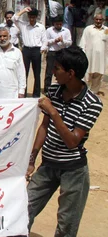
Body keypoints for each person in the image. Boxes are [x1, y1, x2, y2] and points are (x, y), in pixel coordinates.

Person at [26, 46, 103, 237]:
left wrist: (53, 111)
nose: (53, 72)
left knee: (66, 226)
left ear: (71, 73)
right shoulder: (54, 91)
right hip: (48, 166)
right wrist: (32, 159)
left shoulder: (92, 103)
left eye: (57, 68)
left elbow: (72, 141)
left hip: (73, 170)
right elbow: (44, 127)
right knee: (23, 209)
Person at [15, 7, 48, 97]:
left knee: (37, 73)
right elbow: (15, 18)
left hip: (36, 50)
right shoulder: (24, 25)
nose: (32, 19)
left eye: (33, 17)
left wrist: (42, 49)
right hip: (26, 50)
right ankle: (23, 93)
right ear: (28, 17)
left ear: (36, 17)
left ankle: (36, 94)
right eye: (30, 17)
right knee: (24, 72)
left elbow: (45, 40)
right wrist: (24, 10)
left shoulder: (41, 27)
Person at [79, 14, 107, 95]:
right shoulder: (88, 29)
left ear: (103, 20)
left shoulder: (106, 30)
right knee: (87, 76)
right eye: (97, 19)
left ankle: (93, 93)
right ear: (94, 19)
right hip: (89, 57)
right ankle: (84, 92)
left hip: (102, 58)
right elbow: (83, 42)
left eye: (100, 20)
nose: (98, 21)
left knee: (99, 75)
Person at [44, 17, 72, 92]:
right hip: (52, 52)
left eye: (60, 24)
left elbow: (69, 42)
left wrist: (63, 41)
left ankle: (62, 88)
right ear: (54, 24)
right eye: (57, 24)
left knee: (62, 71)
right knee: (49, 72)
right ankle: (47, 89)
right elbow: (45, 41)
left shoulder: (66, 31)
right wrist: (54, 40)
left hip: (62, 52)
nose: (59, 26)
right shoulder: (49, 30)